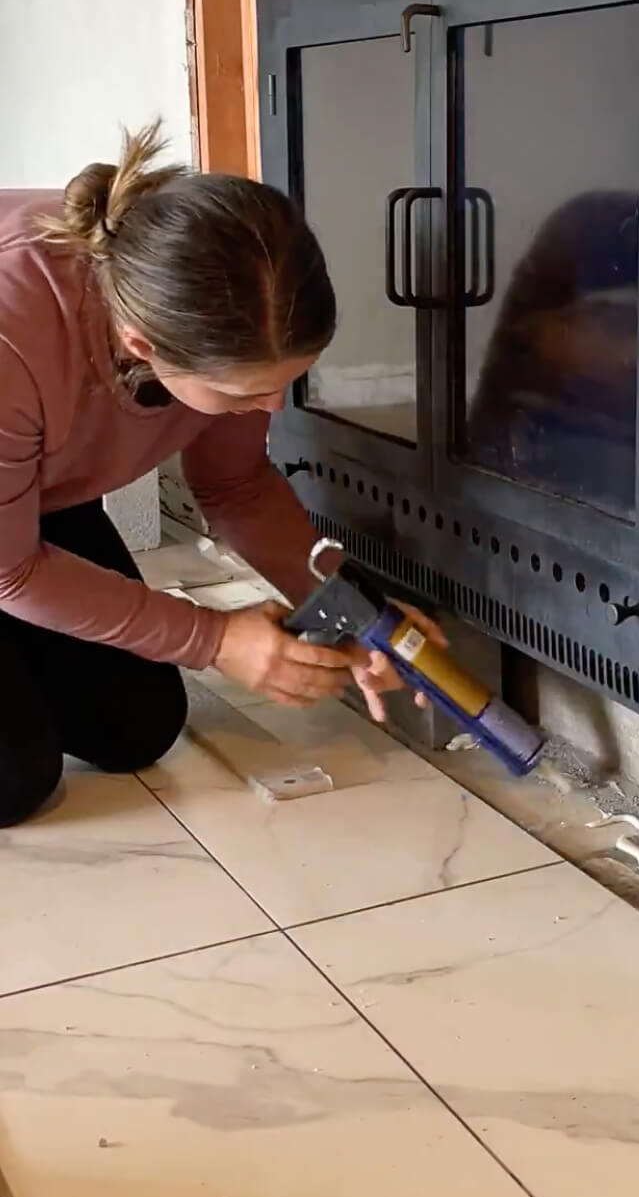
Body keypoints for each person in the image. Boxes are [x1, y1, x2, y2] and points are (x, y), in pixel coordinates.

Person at [0, 124, 438, 828]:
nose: (267, 409)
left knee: (134, 725)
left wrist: (354, 607)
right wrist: (215, 638)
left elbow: (236, 486)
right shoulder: (12, 327)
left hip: (26, 502)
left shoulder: (222, 306)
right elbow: (13, 574)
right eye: (242, 397)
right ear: (144, 345)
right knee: (14, 777)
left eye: (283, 386)